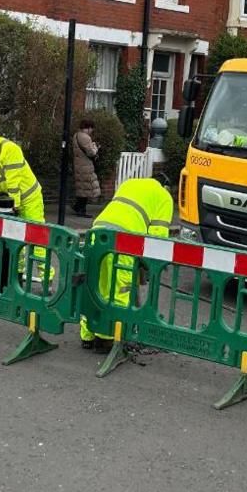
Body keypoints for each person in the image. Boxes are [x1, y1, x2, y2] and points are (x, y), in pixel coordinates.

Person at [80, 178, 173, 351]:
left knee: (95, 286)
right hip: (124, 240)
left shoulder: (130, 183)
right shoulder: (164, 196)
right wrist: (150, 265)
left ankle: (87, 336)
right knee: (120, 290)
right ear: (165, 186)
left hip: (97, 231)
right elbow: (157, 236)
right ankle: (107, 339)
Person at [72, 119, 101, 217]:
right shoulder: (85, 137)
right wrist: (95, 148)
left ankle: (78, 207)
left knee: (82, 188)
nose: (92, 131)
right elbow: (91, 152)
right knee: (87, 188)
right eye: (91, 128)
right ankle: (81, 211)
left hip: (79, 165)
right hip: (86, 166)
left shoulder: (76, 135)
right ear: (88, 128)